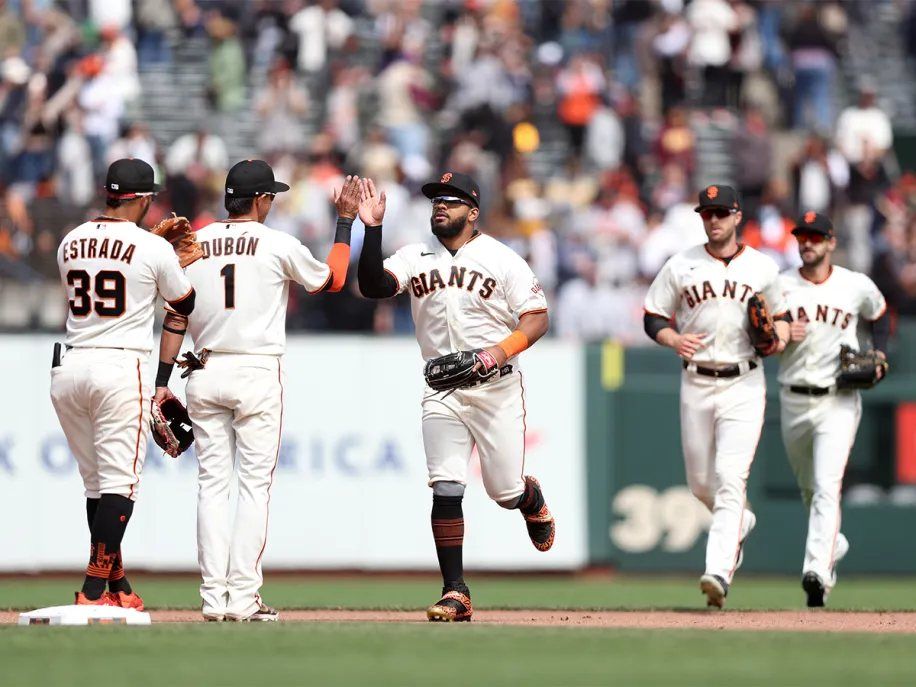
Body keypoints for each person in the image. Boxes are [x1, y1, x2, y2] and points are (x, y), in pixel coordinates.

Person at [154, 161, 360, 622]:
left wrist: (161, 383)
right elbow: (334, 279)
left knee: (211, 487)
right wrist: (344, 221)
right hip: (255, 371)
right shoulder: (277, 243)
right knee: (253, 488)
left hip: (202, 370)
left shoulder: (195, 241)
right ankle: (244, 598)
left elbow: (176, 317)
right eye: (271, 196)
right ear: (262, 200)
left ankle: (213, 598)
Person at [356, 172, 555, 623]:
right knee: (446, 486)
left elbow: (537, 318)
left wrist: (495, 353)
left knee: (503, 491)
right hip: (442, 389)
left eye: (451, 199)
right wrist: (371, 230)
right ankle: (455, 591)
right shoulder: (415, 256)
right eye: (435, 200)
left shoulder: (502, 258)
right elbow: (373, 286)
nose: (440, 206)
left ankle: (529, 498)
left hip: (497, 387)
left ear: (474, 210)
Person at [51, 158, 196, 609]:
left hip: (69, 367)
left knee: (97, 485)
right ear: (143, 199)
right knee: (120, 483)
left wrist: (153, 250)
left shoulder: (69, 241)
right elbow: (183, 302)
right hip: (119, 367)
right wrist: (172, 260)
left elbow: (107, 273)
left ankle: (118, 586)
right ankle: (94, 589)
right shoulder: (153, 249)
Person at [643, 184, 790, 609]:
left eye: (721, 212)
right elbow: (653, 315)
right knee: (701, 484)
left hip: (744, 382)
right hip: (696, 381)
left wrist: (777, 339)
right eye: (707, 213)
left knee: (730, 479)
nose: (714, 220)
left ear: (738, 216)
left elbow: (778, 321)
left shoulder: (762, 267)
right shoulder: (682, 264)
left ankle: (718, 571)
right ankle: (739, 523)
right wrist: (672, 337)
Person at [777, 211, 888, 607]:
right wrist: (778, 331)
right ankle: (832, 544)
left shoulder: (854, 285)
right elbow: (760, 332)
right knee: (811, 490)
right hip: (792, 397)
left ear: (831, 242)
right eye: (802, 236)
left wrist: (879, 353)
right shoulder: (780, 285)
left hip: (838, 400)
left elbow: (880, 313)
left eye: (816, 237)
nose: (808, 243)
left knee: (827, 487)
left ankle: (817, 573)